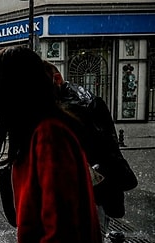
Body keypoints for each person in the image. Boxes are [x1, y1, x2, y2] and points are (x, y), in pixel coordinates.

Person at [0, 46, 102, 243]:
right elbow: (35, 180)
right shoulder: (38, 132)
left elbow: (60, 234)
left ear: (14, 90)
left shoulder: (49, 136)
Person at [43, 61, 137, 232]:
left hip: (90, 192)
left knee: (89, 240)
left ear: (56, 79)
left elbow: (102, 152)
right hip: (90, 188)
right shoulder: (76, 100)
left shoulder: (73, 106)